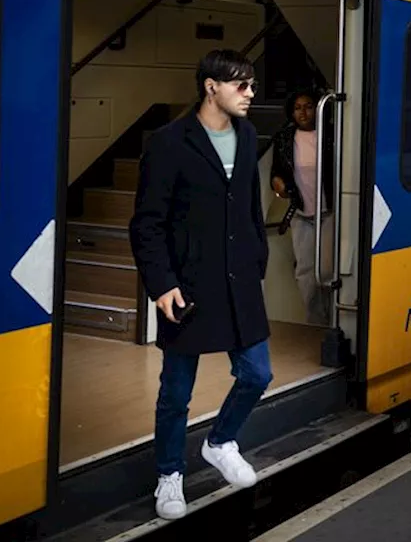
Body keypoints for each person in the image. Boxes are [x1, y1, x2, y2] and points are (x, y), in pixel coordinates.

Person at [129, 49, 274, 521]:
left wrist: (257, 256)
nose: (250, 93)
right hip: (187, 285)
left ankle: (221, 441)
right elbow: (147, 223)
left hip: (241, 279)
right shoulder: (170, 142)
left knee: (257, 374)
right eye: (241, 85)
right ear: (211, 86)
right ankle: (169, 474)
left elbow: (250, 203)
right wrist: (161, 284)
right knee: (176, 392)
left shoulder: (249, 135)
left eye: (251, 84)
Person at [270, 88, 332, 326]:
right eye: (298, 108)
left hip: (329, 212)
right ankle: (315, 323)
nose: (303, 112)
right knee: (305, 273)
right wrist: (278, 184)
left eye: (308, 106)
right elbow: (277, 174)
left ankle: (333, 321)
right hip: (300, 213)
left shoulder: (332, 134)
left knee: (326, 271)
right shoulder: (285, 138)